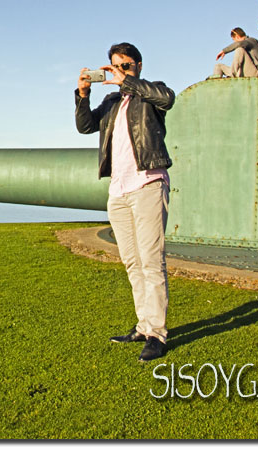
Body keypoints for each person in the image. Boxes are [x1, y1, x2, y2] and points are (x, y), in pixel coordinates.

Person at [76, 42, 175, 362]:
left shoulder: (151, 92)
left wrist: (126, 81)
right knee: (132, 262)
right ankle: (143, 325)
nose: (120, 71)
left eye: (126, 66)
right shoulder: (111, 101)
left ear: (138, 66)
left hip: (147, 183)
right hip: (118, 190)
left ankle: (157, 333)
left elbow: (168, 99)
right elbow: (85, 126)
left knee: (151, 261)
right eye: (115, 66)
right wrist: (82, 95)